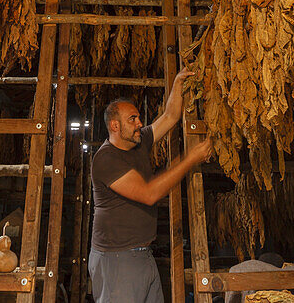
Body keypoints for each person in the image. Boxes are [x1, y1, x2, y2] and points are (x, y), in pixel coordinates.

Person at [88, 66, 212, 303]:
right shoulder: (106, 159)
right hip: (117, 259)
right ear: (115, 126)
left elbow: (170, 117)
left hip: (142, 254)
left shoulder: (138, 141)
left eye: (138, 118)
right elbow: (149, 193)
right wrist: (190, 159)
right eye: (132, 119)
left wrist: (177, 83)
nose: (139, 123)